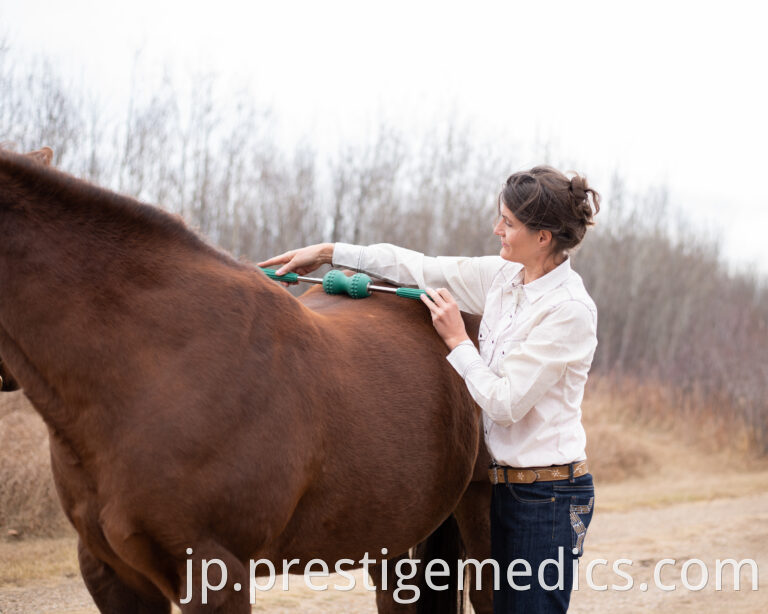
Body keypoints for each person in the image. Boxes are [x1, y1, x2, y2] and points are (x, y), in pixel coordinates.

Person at [258, 165, 600, 613]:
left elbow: (505, 403)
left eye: (509, 223)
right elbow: (416, 266)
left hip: (548, 498)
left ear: (543, 238)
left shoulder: (568, 310)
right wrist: (327, 251)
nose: (496, 229)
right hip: (505, 486)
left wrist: (458, 340)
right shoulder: (502, 279)